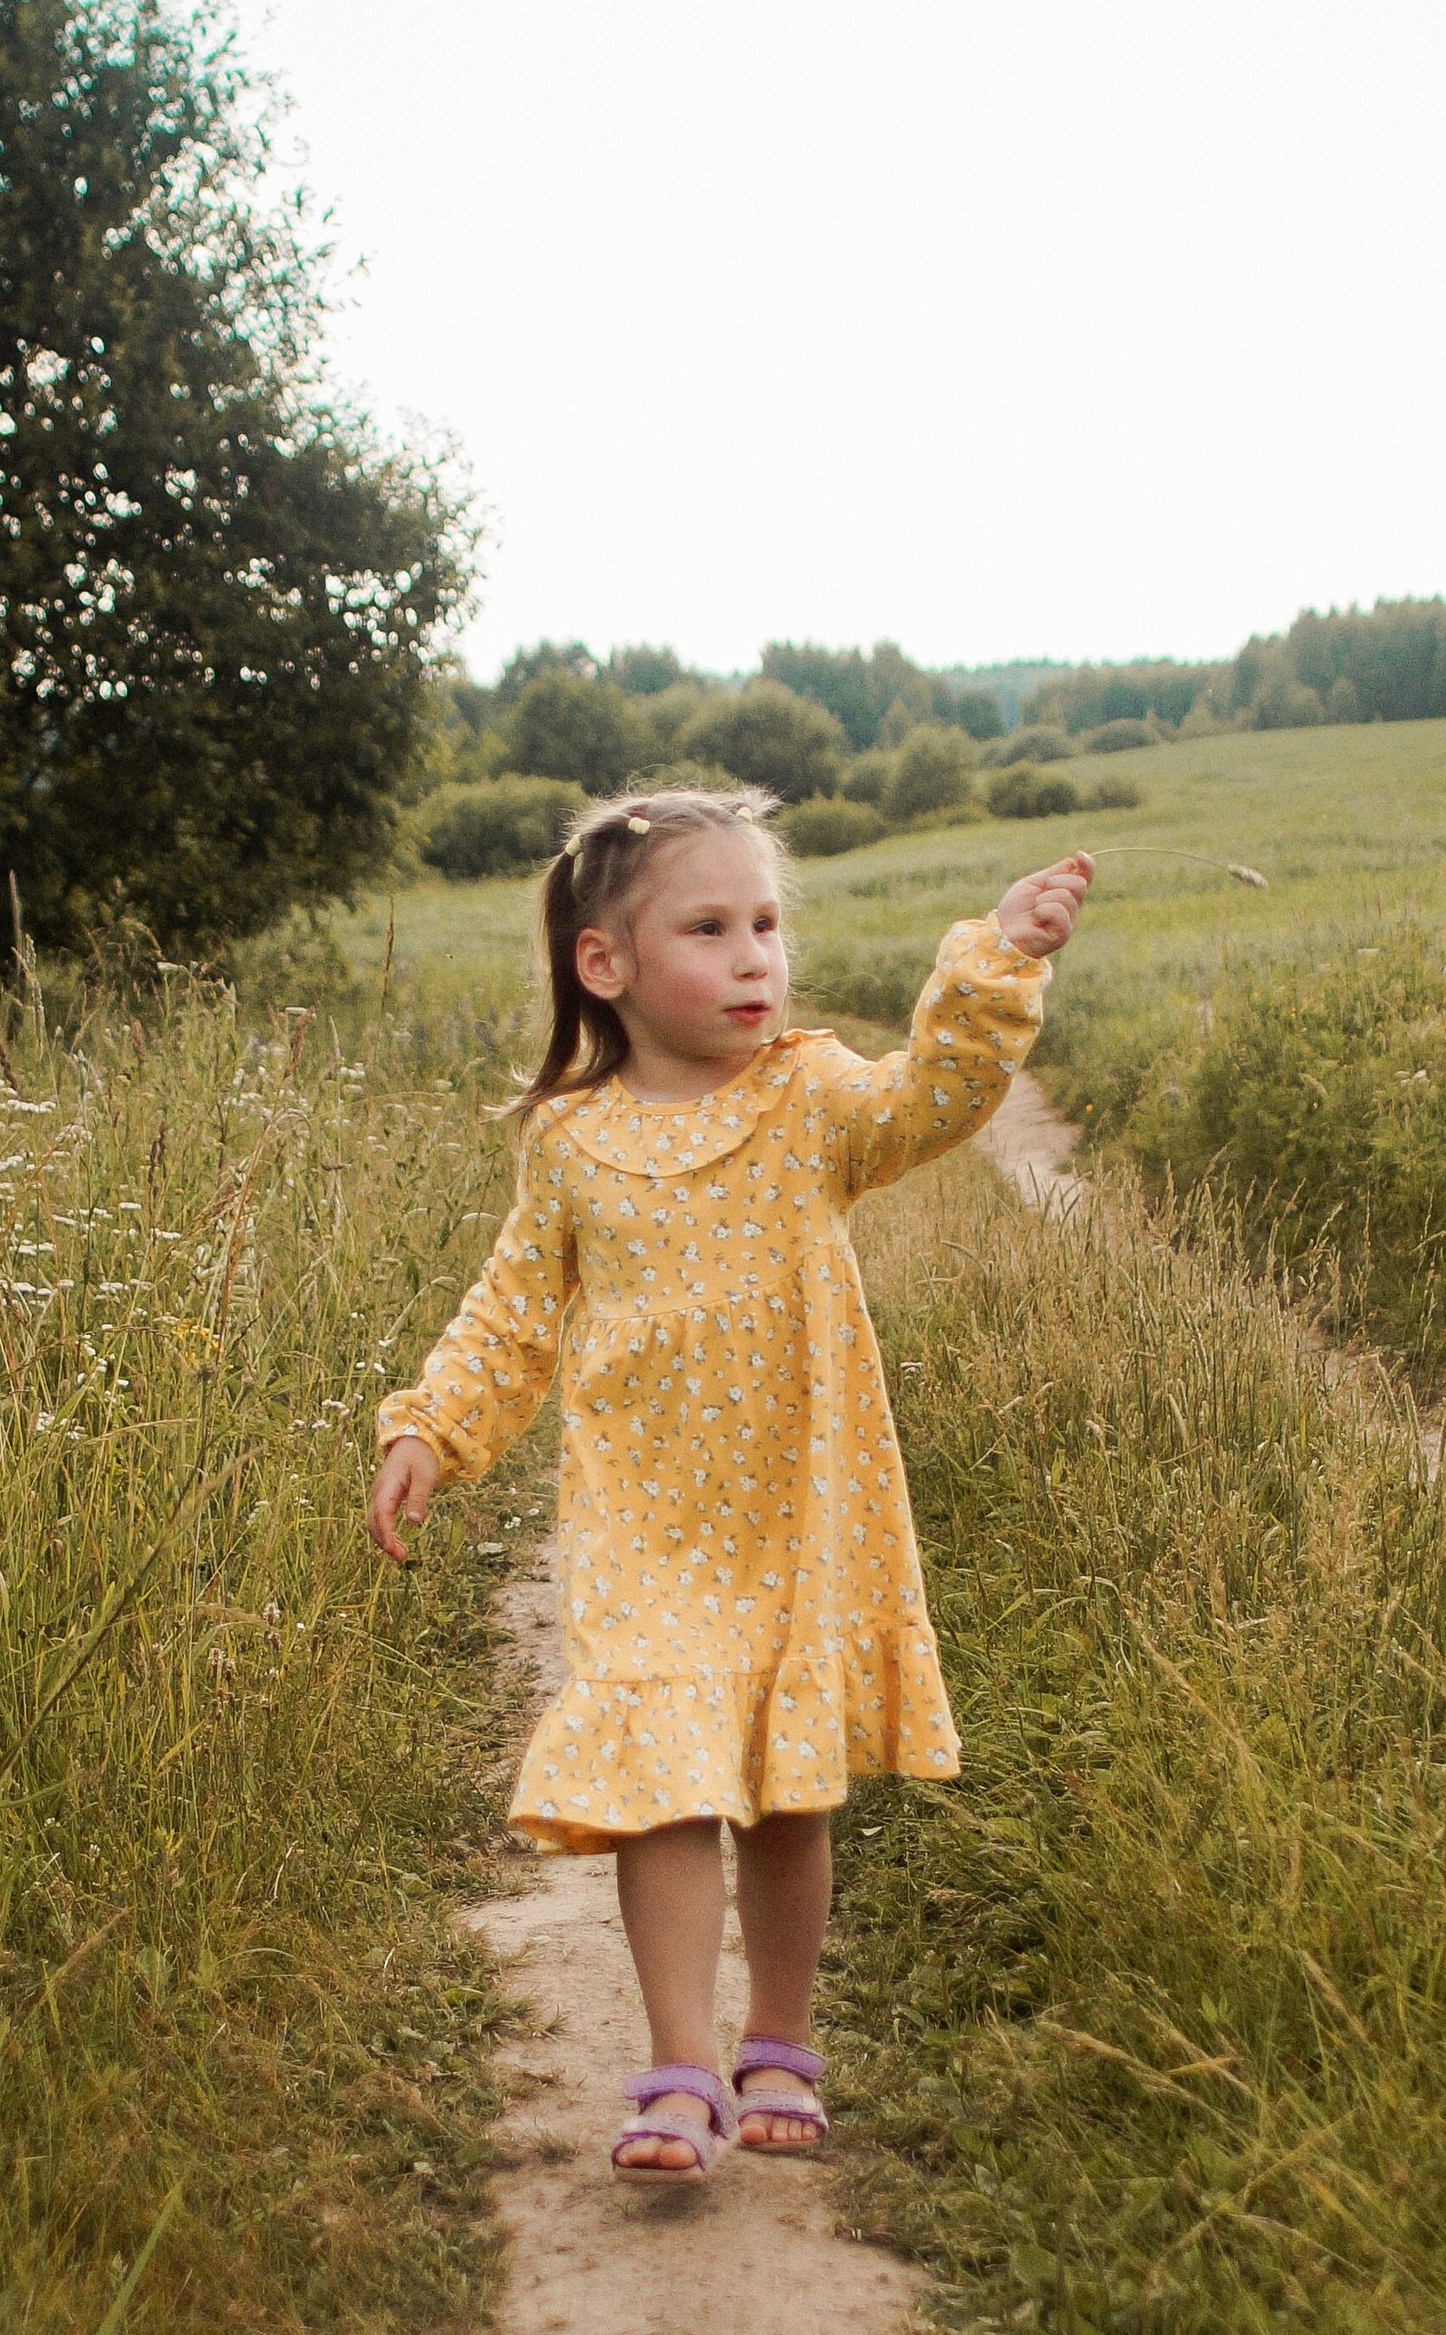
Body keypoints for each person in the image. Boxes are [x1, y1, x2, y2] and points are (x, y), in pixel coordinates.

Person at [367, 784, 1091, 2178]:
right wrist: (432, 1430)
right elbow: (511, 1314)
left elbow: (933, 1100)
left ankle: (780, 2038)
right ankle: (682, 2064)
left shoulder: (811, 1099)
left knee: (786, 1789)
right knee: (660, 1780)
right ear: (606, 962)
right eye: (710, 928)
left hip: (800, 1512)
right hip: (643, 1525)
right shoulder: (571, 1143)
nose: (756, 955)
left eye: (766, 924)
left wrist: (998, 959)